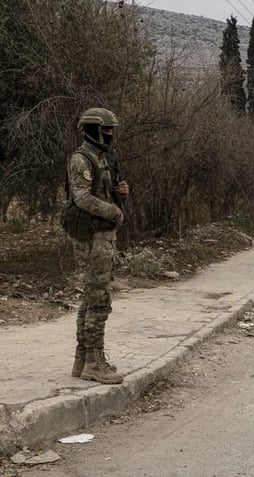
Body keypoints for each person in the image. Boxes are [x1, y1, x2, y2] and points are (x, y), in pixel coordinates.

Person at [65, 108, 129, 385]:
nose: (111, 134)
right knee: (99, 300)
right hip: (92, 237)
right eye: (106, 130)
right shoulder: (81, 159)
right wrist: (112, 210)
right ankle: (94, 362)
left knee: (90, 298)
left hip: (102, 235)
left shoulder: (103, 158)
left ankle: (82, 360)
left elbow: (102, 192)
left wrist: (120, 194)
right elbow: (81, 198)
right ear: (93, 130)